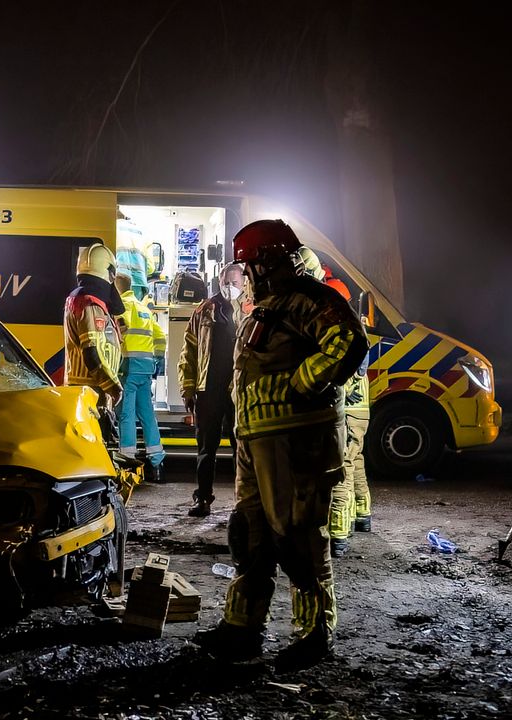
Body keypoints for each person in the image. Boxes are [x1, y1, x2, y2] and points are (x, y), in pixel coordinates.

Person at [193, 219, 368, 671]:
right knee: (249, 536)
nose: (245, 275)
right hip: (256, 441)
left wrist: (302, 383)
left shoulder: (311, 298)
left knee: (299, 539)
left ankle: (315, 633)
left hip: (298, 440)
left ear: (268, 261)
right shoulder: (265, 307)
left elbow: (349, 340)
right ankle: (242, 629)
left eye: (249, 265)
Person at [177, 262, 245, 517]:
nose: (230, 288)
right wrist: (187, 388)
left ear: (244, 283)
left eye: (235, 283)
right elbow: (189, 351)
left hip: (238, 390)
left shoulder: (251, 308)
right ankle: (202, 498)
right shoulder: (205, 310)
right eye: (226, 283)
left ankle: (243, 503)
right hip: (209, 389)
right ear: (219, 282)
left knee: (242, 449)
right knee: (206, 448)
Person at [115, 272, 167, 472]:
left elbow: (121, 325)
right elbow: (160, 335)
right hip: (145, 368)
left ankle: (127, 460)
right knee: (146, 413)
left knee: (126, 415)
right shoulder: (143, 308)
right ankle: (157, 461)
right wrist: (158, 358)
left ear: (118, 288)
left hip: (129, 366)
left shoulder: (124, 305)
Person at [64, 243, 125, 416]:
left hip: (90, 386)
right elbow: (92, 351)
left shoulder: (82, 298)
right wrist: (112, 386)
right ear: (108, 272)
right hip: (92, 388)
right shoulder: (90, 303)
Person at [329, 359, 373, 556]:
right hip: (359, 412)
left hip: (347, 411)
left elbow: (340, 376)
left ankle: (338, 534)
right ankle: (362, 516)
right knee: (356, 460)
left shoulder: (343, 338)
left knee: (342, 466)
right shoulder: (360, 339)